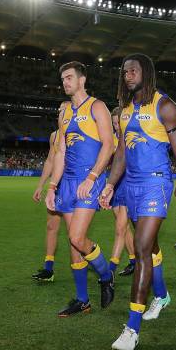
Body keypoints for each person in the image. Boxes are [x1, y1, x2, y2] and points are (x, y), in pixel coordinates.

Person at [100, 53, 176, 350]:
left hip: (156, 183)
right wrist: (109, 185)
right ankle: (163, 295)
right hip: (130, 185)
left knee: (142, 249)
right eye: (125, 71)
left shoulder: (165, 106)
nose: (128, 74)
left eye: (134, 70)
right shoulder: (125, 110)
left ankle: (132, 329)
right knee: (152, 246)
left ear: (147, 73)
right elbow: (120, 153)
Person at [45, 61, 115, 317]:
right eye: (63, 78)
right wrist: (53, 186)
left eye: (70, 77)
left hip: (90, 180)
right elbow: (61, 152)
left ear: (82, 80)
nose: (65, 82)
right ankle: (82, 300)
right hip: (68, 183)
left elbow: (108, 145)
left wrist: (93, 176)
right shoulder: (63, 113)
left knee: (77, 237)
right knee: (74, 245)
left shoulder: (97, 107)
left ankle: (106, 275)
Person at [106, 107, 136, 277]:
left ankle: (110, 270)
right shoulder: (111, 139)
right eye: (114, 123)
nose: (117, 126)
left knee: (120, 228)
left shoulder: (130, 138)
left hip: (128, 184)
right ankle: (134, 261)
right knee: (124, 227)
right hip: (115, 185)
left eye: (119, 122)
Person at [31, 128, 63, 282]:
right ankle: (48, 269)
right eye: (60, 112)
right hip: (56, 186)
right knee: (51, 226)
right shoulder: (54, 136)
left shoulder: (83, 129)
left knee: (76, 234)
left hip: (75, 185)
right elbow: (50, 160)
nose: (62, 114)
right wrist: (40, 185)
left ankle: (97, 265)